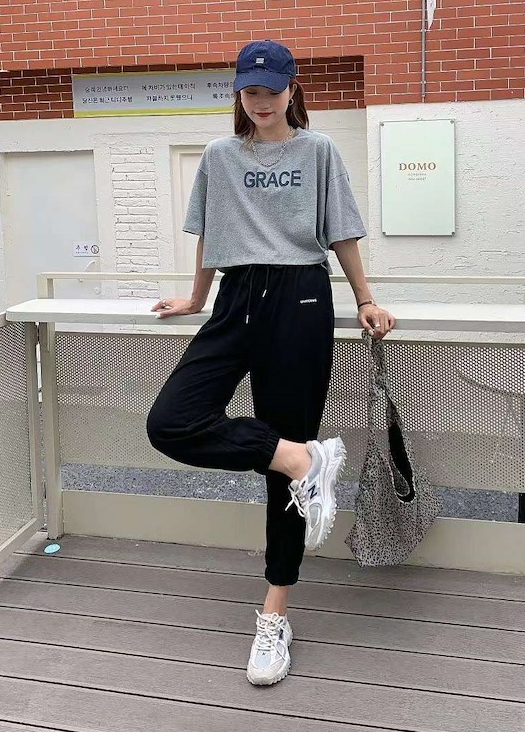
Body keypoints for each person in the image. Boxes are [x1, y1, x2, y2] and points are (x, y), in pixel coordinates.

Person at [145, 39, 396, 687]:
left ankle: (274, 615)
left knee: (282, 474)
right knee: (172, 422)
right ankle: (304, 459)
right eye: (250, 91)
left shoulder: (319, 151)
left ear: (292, 89)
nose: (260, 101)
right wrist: (195, 299)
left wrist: (365, 299)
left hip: (300, 298)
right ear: (239, 92)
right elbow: (209, 233)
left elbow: (340, 231)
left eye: (271, 89)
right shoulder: (218, 156)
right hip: (236, 300)